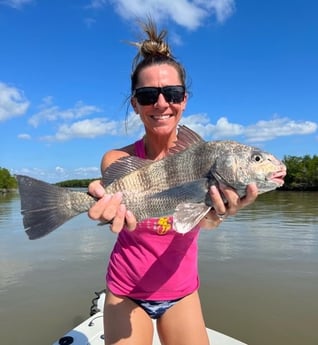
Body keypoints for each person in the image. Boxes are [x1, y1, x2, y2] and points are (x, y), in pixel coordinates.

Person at [88, 19, 258, 345]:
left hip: (181, 291)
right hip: (127, 291)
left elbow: (198, 223)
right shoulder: (117, 160)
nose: (162, 104)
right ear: (135, 103)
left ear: (185, 99)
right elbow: (115, 207)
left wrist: (219, 213)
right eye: (149, 95)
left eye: (173, 93)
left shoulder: (206, 158)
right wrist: (97, 200)